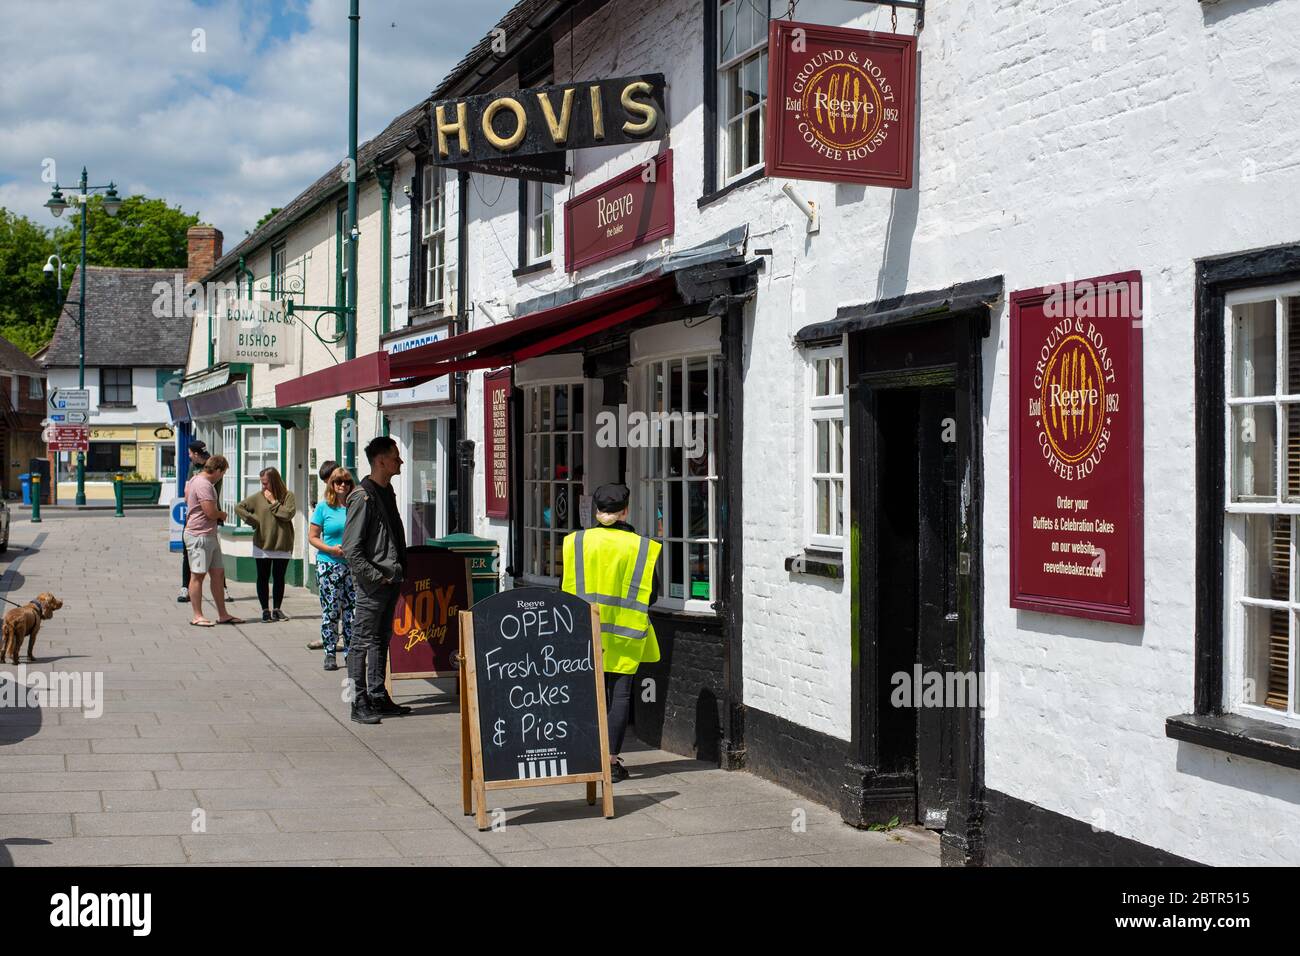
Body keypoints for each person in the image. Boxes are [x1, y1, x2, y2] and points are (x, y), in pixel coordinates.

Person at [560, 483, 660, 782]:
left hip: (583, 632)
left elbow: (563, 589)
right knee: (620, 697)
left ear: (595, 509)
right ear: (625, 510)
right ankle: (611, 762)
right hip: (624, 633)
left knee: (588, 695)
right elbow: (650, 595)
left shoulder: (575, 542)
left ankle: (586, 757)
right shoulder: (640, 546)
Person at [341, 436, 412, 724]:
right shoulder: (363, 496)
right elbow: (351, 549)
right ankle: (357, 702)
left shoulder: (387, 492)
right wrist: (376, 576)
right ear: (381, 460)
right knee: (360, 641)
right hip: (374, 583)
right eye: (396, 457)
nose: (400, 462)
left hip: (390, 579)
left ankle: (378, 695)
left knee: (382, 638)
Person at [183, 455, 243, 627]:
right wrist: (221, 514)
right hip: (199, 535)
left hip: (209, 534)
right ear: (217, 470)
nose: (222, 476)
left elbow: (187, 498)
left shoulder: (195, 479)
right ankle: (197, 615)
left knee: (217, 574)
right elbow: (209, 512)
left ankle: (223, 614)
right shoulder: (203, 484)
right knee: (198, 575)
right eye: (223, 473)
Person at [235, 467, 297, 624]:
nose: (263, 487)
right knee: (262, 577)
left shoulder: (288, 496)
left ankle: (277, 609)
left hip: (282, 543)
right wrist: (253, 521)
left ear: (275, 481)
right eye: (261, 483)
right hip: (262, 544)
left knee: (279, 577)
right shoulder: (257, 497)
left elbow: (287, 514)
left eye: (266, 483)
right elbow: (239, 507)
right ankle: (265, 610)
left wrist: (273, 502)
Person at [309, 466, 356, 671]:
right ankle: (329, 652)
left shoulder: (355, 507)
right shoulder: (323, 508)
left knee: (351, 613)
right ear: (332, 484)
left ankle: (350, 653)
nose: (342, 485)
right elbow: (312, 537)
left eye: (346, 482)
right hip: (329, 564)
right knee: (331, 610)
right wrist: (330, 549)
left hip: (353, 566)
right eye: (338, 482)